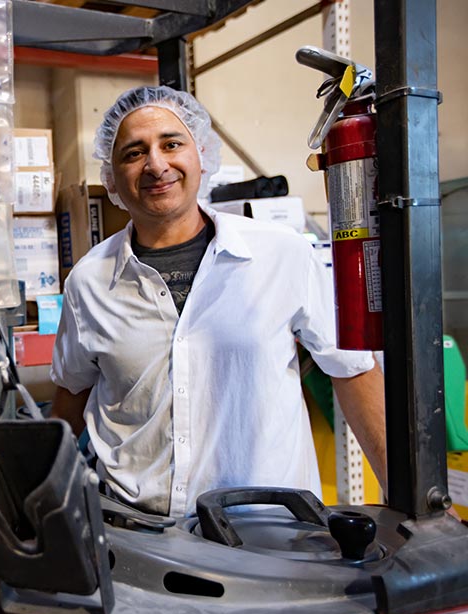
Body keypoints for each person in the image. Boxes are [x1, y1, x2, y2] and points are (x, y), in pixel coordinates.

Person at [50, 86, 386, 517]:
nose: (156, 164)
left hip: (265, 530)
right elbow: (70, 395)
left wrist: (415, 511)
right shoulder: (89, 281)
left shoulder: (281, 254)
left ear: (202, 155)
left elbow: (352, 370)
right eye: (133, 153)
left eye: (171, 144)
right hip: (135, 532)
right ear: (112, 177)